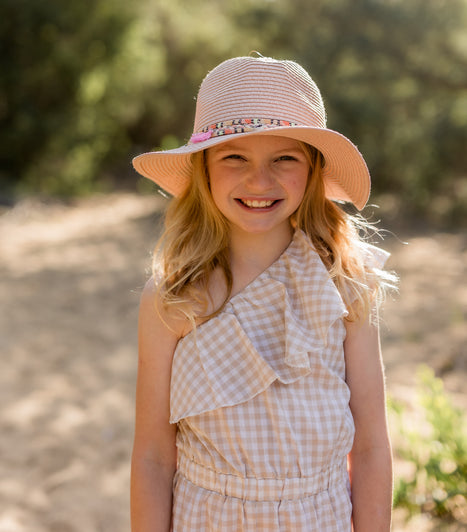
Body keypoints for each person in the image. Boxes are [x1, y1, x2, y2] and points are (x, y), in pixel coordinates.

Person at [130, 55, 396, 532]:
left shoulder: (345, 286)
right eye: (235, 157)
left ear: (313, 170)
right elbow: (152, 456)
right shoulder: (172, 298)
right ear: (203, 169)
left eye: (284, 158)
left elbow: (372, 445)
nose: (260, 180)